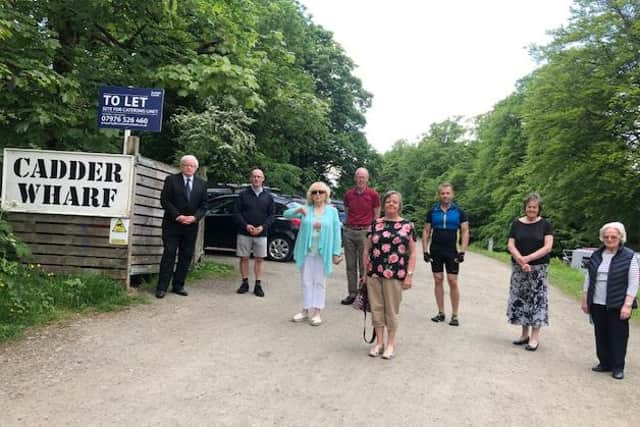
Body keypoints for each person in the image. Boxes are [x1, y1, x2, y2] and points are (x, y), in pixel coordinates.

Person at [581, 222, 638, 380]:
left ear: (620, 237)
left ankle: (618, 366)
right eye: (606, 236)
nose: (609, 239)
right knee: (601, 333)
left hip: (618, 303)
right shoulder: (597, 255)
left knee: (618, 335)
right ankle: (604, 363)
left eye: (613, 236)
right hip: (597, 302)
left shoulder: (629, 256)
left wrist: (627, 305)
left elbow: (634, 282)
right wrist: (585, 299)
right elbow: (589, 277)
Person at [364, 191, 417, 360]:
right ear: (384, 204)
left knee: (392, 310)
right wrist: (364, 273)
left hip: (395, 274)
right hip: (374, 272)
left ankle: (390, 344)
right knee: (377, 308)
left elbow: (413, 253)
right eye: (388, 201)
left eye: (395, 202)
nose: (391, 204)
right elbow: (367, 249)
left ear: (399, 205)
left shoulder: (407, 226)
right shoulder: (375, 224)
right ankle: (379, 343)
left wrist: (409, 275)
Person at [284, 182, 343, 326]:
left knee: (319, 282)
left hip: (323, 252)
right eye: (314, 192)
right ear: (310, 194)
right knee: (306, 281)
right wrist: (298, 210)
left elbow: (336, 232)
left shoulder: (332, 211)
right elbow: (286, 214)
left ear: (326, 195)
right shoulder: (306, 208)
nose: (317, 195)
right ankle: (305, 311)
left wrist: (336, 252)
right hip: (306, 251)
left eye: (321, 192)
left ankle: (317, 312)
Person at [506, 193, 554, 351]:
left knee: (536, 301)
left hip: (538, 269)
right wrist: (521, 260)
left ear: (539, 208)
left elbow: (548, 247)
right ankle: (524, 334)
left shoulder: (545, 224)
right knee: (521, 299)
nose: (531, 209)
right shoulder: (516, 223)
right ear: (525, 207)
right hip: (519, 268)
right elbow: (511, 245)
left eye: (534, 207)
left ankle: (535, 337)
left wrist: (528, 259)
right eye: (529, 207)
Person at [156, 155, 208, 299]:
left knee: (186, 256)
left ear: (196, 168)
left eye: (191, 166)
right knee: (169, 254)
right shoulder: (171, 180)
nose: (188, 168)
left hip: (191, 227)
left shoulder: (201, 184)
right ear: (181, 166)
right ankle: (162, 287)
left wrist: (195, 217)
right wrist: (178, 216)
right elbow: (165, 201)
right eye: (186, 165)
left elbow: (204, 206)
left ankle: (178, 285)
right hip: (172, 224)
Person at [422, 182, 469, 326]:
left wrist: (462, 251)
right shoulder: (432, 211)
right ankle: (441, 312)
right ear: (439, 195)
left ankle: (455, 315)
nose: (445, 196)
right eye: (442, 193)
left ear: (452, 194)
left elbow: (465, 231)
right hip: (436, 249)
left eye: (448, 193)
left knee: (452, 281)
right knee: (438, 279)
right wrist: (425, 250)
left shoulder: (459, 212)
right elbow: (426, 231)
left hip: (451, 251)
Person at [341, 167, 380, 305]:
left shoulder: (373, 195)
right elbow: (346, 211)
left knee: (364, 265)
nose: (360, 179)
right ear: (355, 178)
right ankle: (352, 293)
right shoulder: (348, 194)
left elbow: (376, 215)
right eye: (358, 177)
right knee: (350, 265)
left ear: (367, 179)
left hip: (365, 232)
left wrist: (374, 232)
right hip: (350, 231)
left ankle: (363, 294)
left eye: (363, 177)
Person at [234, 168, 275, 297]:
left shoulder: (268, 197)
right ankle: (245, 282)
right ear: (251, 178)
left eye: (259, 177)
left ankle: (258, 284)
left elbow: (272, 215)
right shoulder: (242, 195)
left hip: (261, 233)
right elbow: (236, 213)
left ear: (263, 179)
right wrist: (246, 226)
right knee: (244, 258)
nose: (256, 179)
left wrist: (263, 227)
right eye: (254, 176)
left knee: (259, 259)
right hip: (244, 232)